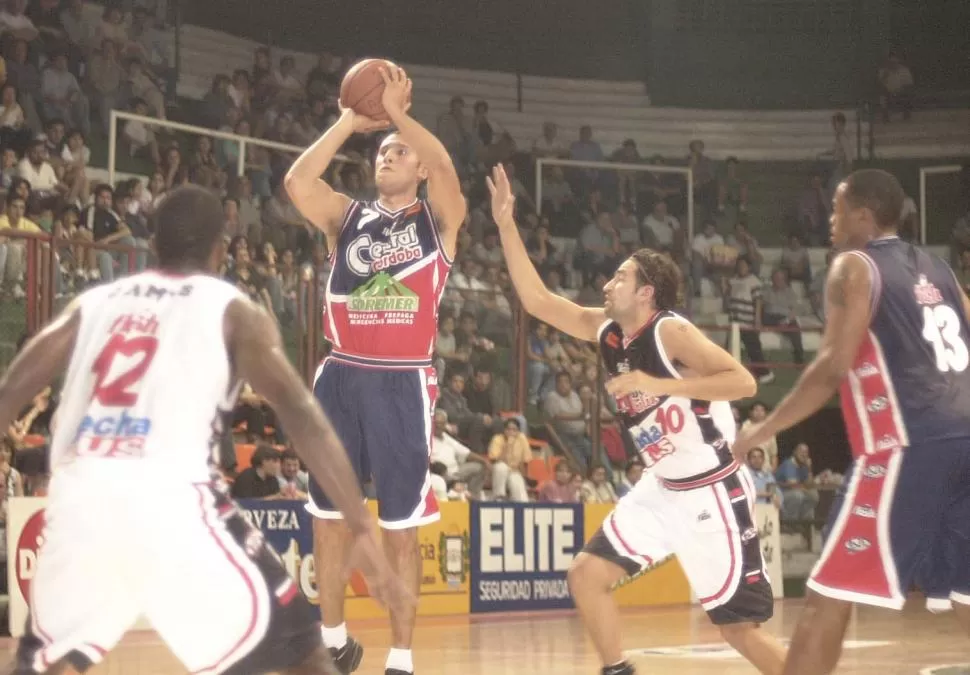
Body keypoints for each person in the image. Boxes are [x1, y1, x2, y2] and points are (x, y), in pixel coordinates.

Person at [0, 185, 411, 675]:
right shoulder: (232, 309)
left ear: (152, 243)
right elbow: (302, 415)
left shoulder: (94, 302)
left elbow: (16, 383)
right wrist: (361, 523)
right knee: (302, 655)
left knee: (49, 662)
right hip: (171, 501)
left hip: (78, 501)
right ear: (221, 247)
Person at [486, 164, 784, 675]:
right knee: (584, 574)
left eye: (620, 276)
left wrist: (659, 385)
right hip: (660, 487)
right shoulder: (608, 333)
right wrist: (506, 224)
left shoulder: (670, 332)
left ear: (647, 292)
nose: (607, 283)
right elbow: (538, 301)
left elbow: (743, 383)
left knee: (738, 631)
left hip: (711, 491)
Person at [732, 168, 970, 675]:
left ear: (864, 213)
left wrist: (764, 429)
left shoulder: (853, 267)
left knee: (826, 596)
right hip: (965, 439)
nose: (831, 221)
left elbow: (831, 367)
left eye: (838, 210)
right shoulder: (942, 271)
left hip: (905, 443)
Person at [284, 65, 465, 675]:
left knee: (400, 529)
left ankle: (403, 660)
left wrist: (400, 115)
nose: (388, 156)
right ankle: (333, 641)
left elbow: (444, 168)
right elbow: (296, 180)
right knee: (329, 519)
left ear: (417, 169)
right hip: (339, 375)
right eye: (383, 151)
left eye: (400, 152)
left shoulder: (437, 222)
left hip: (401, 382)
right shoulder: (347, 217)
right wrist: (349, 121)